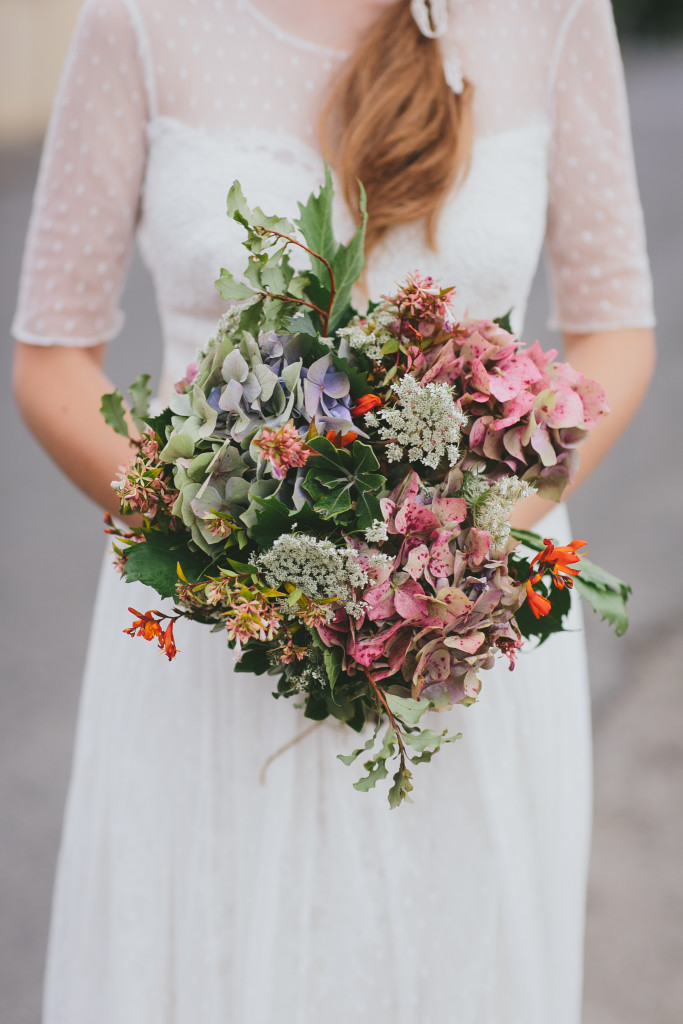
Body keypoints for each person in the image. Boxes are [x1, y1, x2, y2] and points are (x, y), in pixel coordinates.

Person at [11, 1, 655, 1021]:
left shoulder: (549, 13)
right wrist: (220, 538)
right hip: (214, 648)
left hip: (460, 655)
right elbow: (50, 359)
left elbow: (616, 325)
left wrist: (482, 536)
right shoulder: (137, 17)